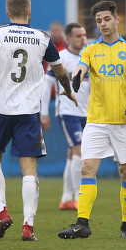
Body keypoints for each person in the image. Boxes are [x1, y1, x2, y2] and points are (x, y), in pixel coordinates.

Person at [0, 0, 77, 241]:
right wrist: (68, 92)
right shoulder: (42, 37)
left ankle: (2, 212)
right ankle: (28, 227)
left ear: (7, 12)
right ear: (29, 12)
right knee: (29, 168)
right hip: (28, 112)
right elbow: (60, 72)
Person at [58, 0, 126, 240]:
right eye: (98, 21)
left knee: (125, 172)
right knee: (87, 167)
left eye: (107, 19)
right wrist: (76, 78)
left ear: (117, 19)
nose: (103, 24)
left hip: (123, 122)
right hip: (96, 120)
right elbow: (80, 68)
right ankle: (82, 224)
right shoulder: (90, 50)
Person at [40, 22, 90, 211]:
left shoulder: (89, 57)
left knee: (72, 154)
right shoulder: (61, 58)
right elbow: (47, 86)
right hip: (68, 113)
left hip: (87, 113)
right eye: (78, 36)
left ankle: (66, 198)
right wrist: (44, 113)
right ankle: (79, 197)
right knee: (79, 150)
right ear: (68, 38)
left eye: (84, 35)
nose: (82, 39)